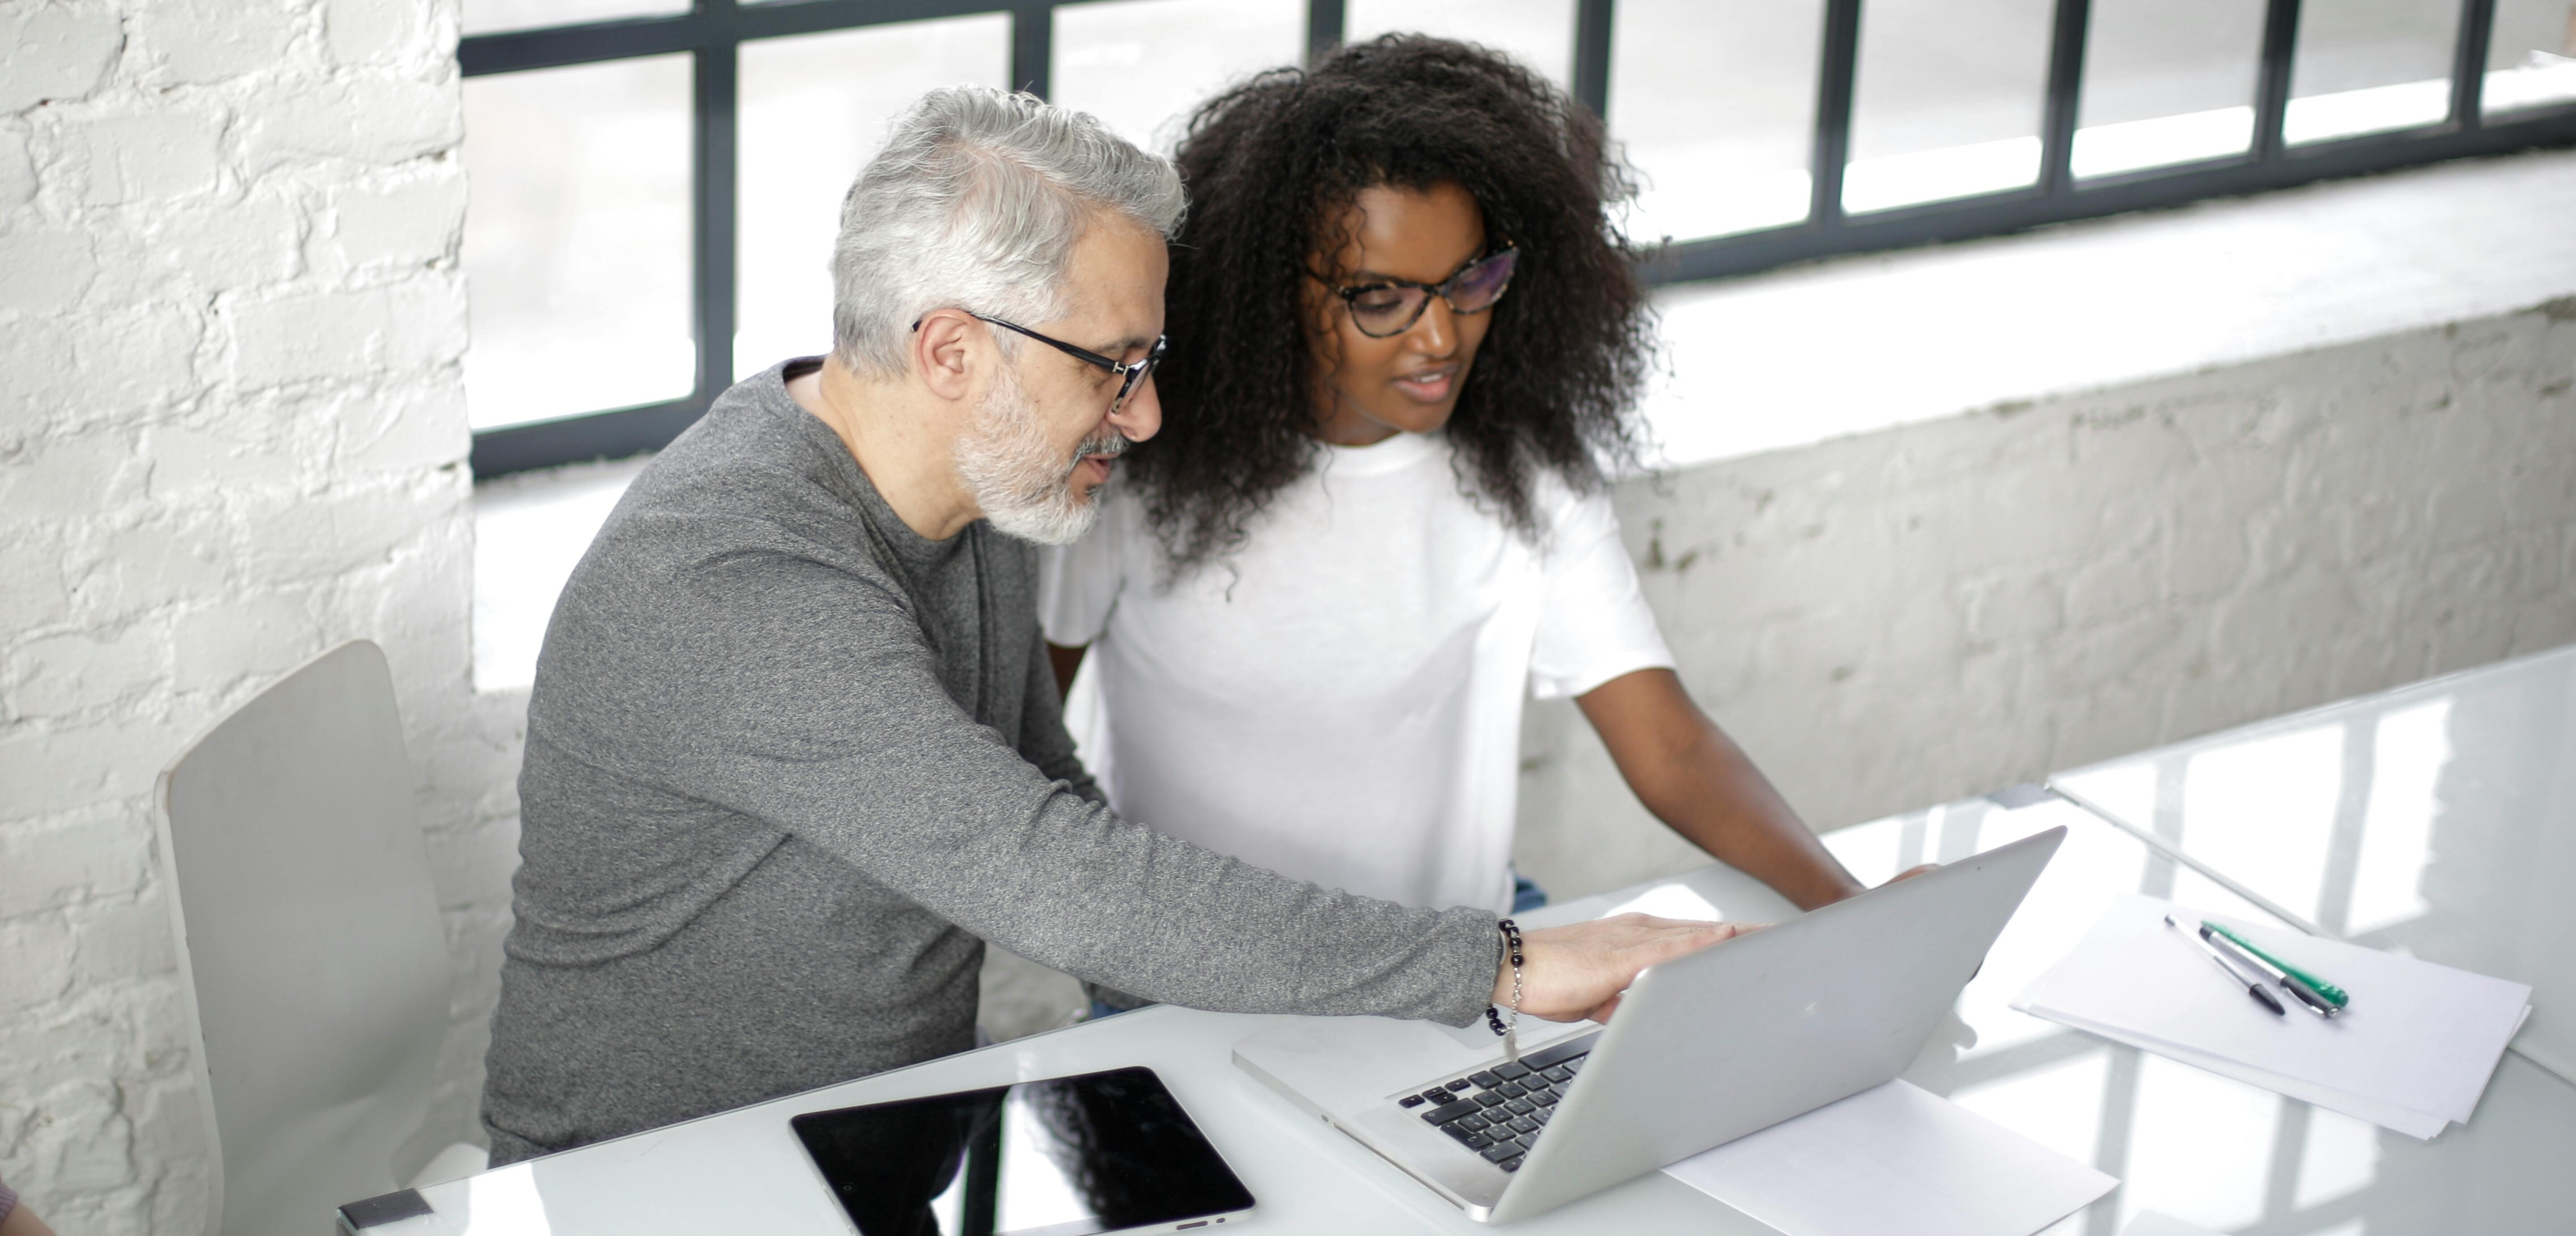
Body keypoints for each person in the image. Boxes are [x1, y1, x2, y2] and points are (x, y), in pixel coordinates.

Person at [479, 85, 1736, 1165]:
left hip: (875, 1151)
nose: (1141, 420)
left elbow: (1051, 798)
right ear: (954, 350)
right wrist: (1501, 969)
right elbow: (1053, 874)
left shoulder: (966, 502)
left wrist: (1313, 1061)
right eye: (1113, 366)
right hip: (666, 1186)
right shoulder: (741, 580)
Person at [1042, 37, 1882, 940]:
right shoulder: (1133, 470)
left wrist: (1864, 916)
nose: (1441, 337)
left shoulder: (1523, 477)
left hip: (1457, 975)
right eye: (1382, 298)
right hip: (1187, 988)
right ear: (1269, 290)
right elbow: (1025, 747)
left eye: (1470, 280)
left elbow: (1671, 747)